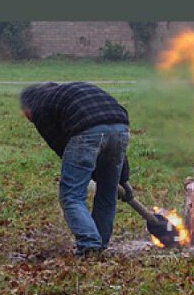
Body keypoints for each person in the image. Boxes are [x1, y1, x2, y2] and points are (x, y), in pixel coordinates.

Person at [19, 82, 134, 257]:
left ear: (27, 108)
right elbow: (110, 128)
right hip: (121, 127)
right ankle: (100, 245)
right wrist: (123, 179)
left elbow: (60, 146)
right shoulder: (69, 93)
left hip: (87, 131)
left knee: (71, 196)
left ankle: (90, 245)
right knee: (107, 194)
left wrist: (87, 169)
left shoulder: (39, 107)